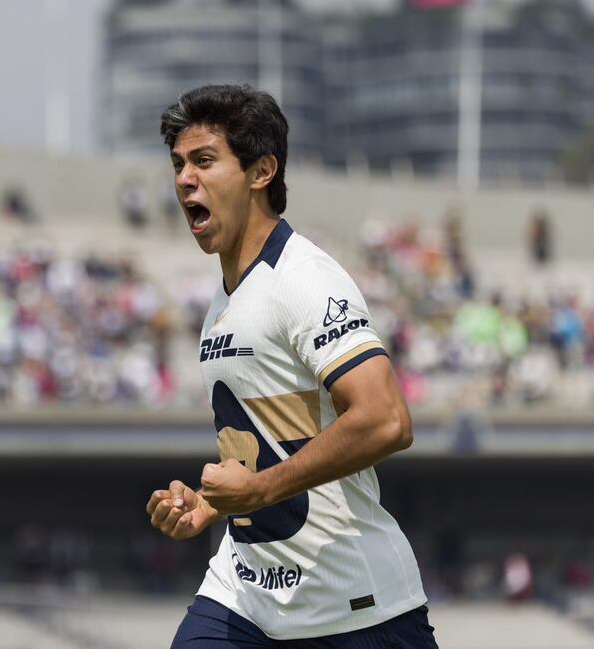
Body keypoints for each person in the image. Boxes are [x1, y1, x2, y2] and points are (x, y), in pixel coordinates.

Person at [146, 84, 437, 647]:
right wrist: (209, 502)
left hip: (355, 606)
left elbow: (386, 420)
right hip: (247, 594)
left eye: (205, 161)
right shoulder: (224, 296)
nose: (184, 178)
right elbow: (277, 436)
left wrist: (256, 493)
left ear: (261, 171)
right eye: (179, 163)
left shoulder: (304, 279)